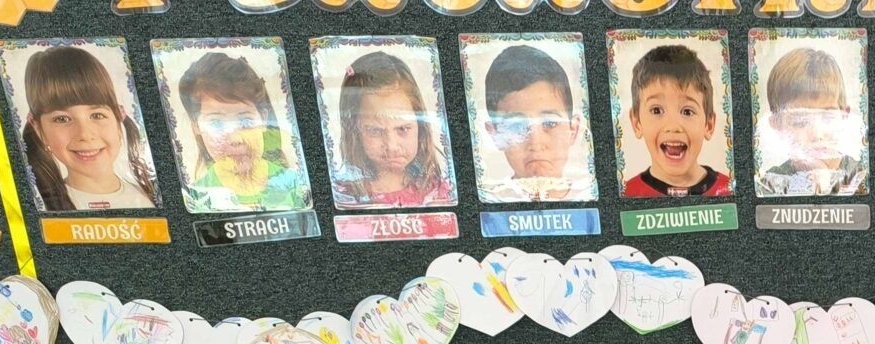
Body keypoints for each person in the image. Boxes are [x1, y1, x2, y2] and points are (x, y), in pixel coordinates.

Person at [17, 44, 159, 211]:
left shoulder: (153, 196)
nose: (85, 134)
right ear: (38, 129)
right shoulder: (36, 208)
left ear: (119, 116)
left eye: (97, 115)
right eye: (62, 119)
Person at [172, 51, 309, 214]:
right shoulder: (195, 200)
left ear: (263, 119)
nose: (235, 139)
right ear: (196, 127)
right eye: (216, 123)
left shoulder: (297, 187)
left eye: (245, 121)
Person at [332, 49, 452, 208]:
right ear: (354, 130)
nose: (391, 146)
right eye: (375, 131)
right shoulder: (342, 198)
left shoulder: (439, 193)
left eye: (403, 129)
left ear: (420, 126)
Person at [479, 43, 586, 203]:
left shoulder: (588, 196)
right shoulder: (489, 202)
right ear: (495, 134)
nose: (535, 143)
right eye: (516, 126)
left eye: (550, 123)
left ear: (573, 129)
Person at [755, 45, 866, 198]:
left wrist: (828, 185)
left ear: (844, 116)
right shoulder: (770, 184)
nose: (816, 134)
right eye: (800, 122)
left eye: (828, 117)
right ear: (777, 125)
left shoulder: (861, 178)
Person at [622, 43, 731, 198]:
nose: (673, 126)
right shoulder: (626, 195)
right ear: (636, 123)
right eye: (656, 110)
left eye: (687, 112)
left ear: (709, 125)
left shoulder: (730, 190)